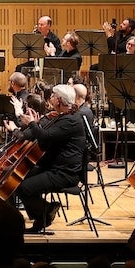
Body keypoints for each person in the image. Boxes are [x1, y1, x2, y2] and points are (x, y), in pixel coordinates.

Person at [13, 84, 86, 233]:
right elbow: (45, 142)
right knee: (16, 180)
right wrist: (35, 124)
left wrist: (32, 123)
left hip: (64, 173)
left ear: (58, 100)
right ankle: (41, 217)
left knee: (24, 188)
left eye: (52, 96)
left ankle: (46, 212)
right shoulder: (63, 116)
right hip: (52, 167)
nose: (50, 98)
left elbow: (45, 137)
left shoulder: (70, 120)